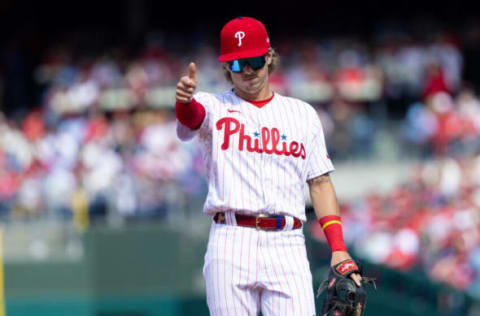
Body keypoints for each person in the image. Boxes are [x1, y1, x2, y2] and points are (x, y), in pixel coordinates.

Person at [175, 16, 361, 316]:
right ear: (226, 67)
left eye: (253, 60)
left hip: (286, 241)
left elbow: (320, 182)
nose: (246, 70)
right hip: (231, 239)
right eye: (237, 64)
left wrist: (338, 246)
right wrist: (184, 101)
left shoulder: (302, 114)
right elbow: (191, 118)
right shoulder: (213, 105)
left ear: (269, 56)